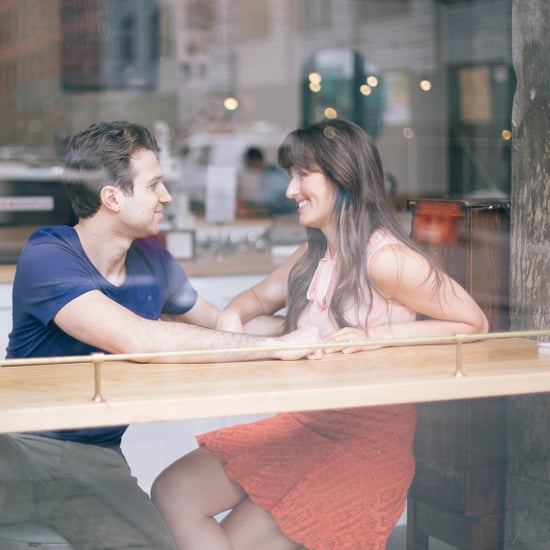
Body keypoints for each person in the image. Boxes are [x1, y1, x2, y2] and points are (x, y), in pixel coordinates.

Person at [151, 119, 489, 550]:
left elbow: (473, 323)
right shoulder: (314, 253)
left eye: (301, 175)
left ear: (343, 176)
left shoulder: (386, 259)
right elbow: (253, 298)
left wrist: (372, 335)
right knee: (173, 490)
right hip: (307, 423)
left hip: (364, 445)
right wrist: (231, 325)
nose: (290, 191)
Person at [0, 121, 321, 550]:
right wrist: (275, 349)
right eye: (154, 185)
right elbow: (138, 339)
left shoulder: (152, 258)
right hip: (18, 450)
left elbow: (222, 324)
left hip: (95, 463)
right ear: (112, 198)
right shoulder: (49, 255)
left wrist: (317, 328)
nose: (166, 197)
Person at [237, 146, 295, 216]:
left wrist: (249, 204)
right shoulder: (265, 174)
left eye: (249, 165)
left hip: (285, 215)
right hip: (276, 213)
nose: (250, 169)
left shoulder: (275, 176)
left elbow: (269, 203)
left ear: (255, 161)